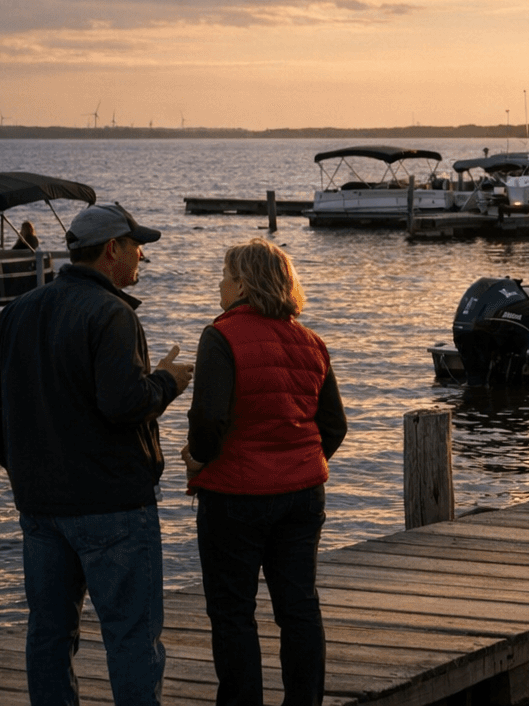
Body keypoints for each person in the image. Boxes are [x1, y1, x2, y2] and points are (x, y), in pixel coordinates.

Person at [0, 202, 192, 706]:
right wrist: (167, 382)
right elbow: (124, 404)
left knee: (49, 635)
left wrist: (21, 459)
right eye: (136, 248)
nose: (141, 259)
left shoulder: (19, 310)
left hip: (42, 506)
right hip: (113, 506)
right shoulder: (112, 314)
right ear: (112, 250)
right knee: (130, 637)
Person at [183, 239, 346, 706]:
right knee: (298, 607)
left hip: (235, 495)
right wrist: (299, 461)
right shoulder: (311, 342)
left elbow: (209, 419)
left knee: (233, 611)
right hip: (302, 494)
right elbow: (333, 425)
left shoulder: (221, 335)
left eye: (225, 274)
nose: (219, 282)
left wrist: (198, 457)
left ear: (242, 284)